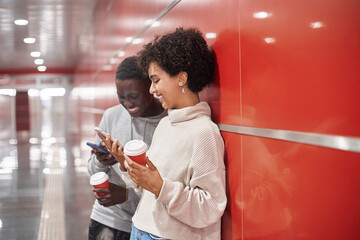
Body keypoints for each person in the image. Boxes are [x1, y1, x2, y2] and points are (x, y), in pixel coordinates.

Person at [101, 27, 227, 240]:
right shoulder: (165, 125)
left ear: (181, 78)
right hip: (140, 229)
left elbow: (211, 206)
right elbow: (147, 188)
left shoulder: (204, 132)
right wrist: (126, 164)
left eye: (156, 80)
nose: (151, 89)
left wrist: (161, 188)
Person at [87, 56, 166, 240]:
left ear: (150, 88)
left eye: (133, 96)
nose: (127, 104)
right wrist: (100, 162)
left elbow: (165, 183)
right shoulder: (111, 116)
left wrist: (126, 194)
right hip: (108, 219)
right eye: (121, 97)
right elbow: (91, 170)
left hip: (149, 225)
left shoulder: (166, 123)